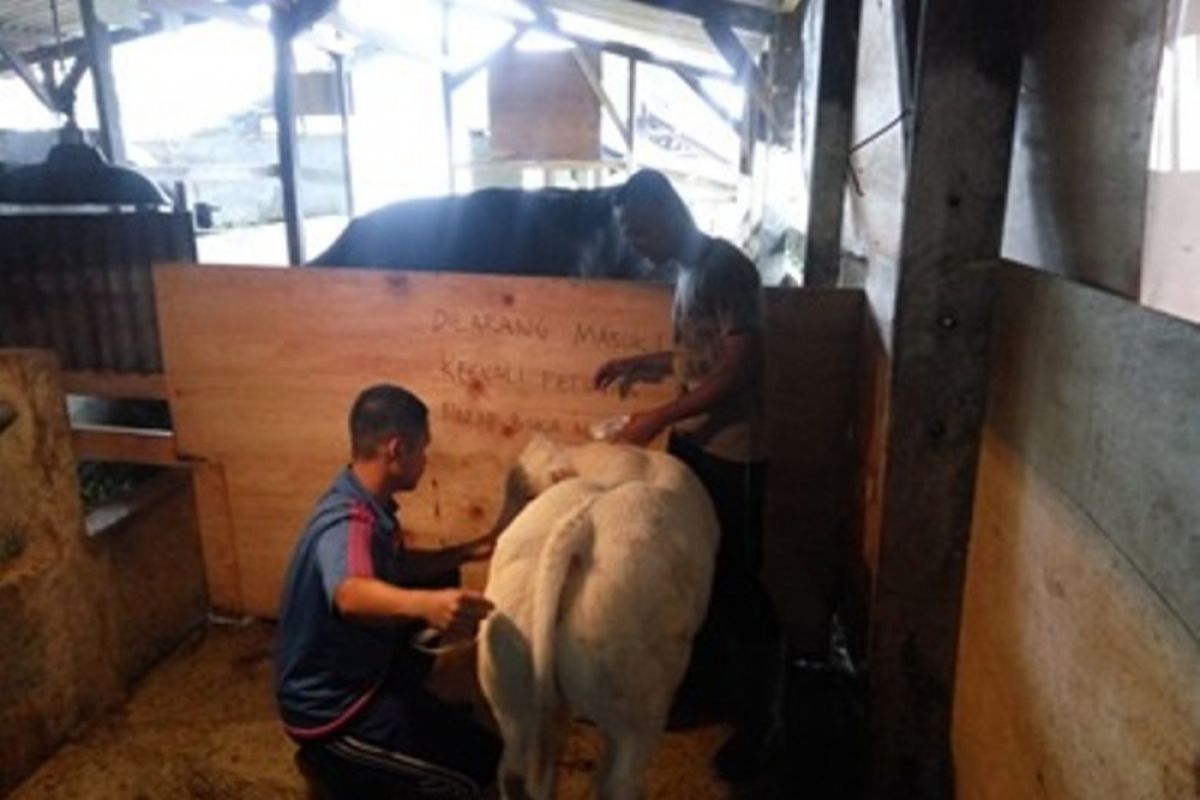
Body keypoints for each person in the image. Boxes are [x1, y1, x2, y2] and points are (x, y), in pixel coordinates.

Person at [594, 169, 787, 782]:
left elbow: (740, 371)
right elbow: (694, 355)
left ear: (666, 210)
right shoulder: (686, 272)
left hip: (736, 451)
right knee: (699, 574)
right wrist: (641, 363)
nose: (635, 245)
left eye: (638, 229)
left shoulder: (726, 267)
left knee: (737, 583)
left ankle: (766, 720)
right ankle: (707, 693)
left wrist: (656, 416)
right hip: (699, 447)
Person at [274, 384, 501, 798]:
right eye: (422, 450)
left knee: (439, 576)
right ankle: (338, 770)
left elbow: (398, 565)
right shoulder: (349, 520)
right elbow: (350, 593)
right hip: (334, 712)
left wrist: (469, 550)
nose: (426, 461)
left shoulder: (364, 503)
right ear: (397, 449)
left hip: (361, 674)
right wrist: (427, 605)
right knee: (473, 773)